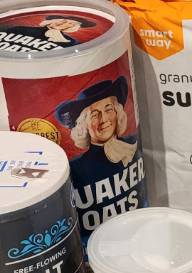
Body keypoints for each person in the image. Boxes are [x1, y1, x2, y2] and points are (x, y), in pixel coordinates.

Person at [54, 77, 147, 248]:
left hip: (142, 238)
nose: (104, 119)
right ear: (84, 125)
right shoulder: (73, 168)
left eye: (108, 109)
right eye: (95, 115)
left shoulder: (135, 142)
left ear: (117, 112)